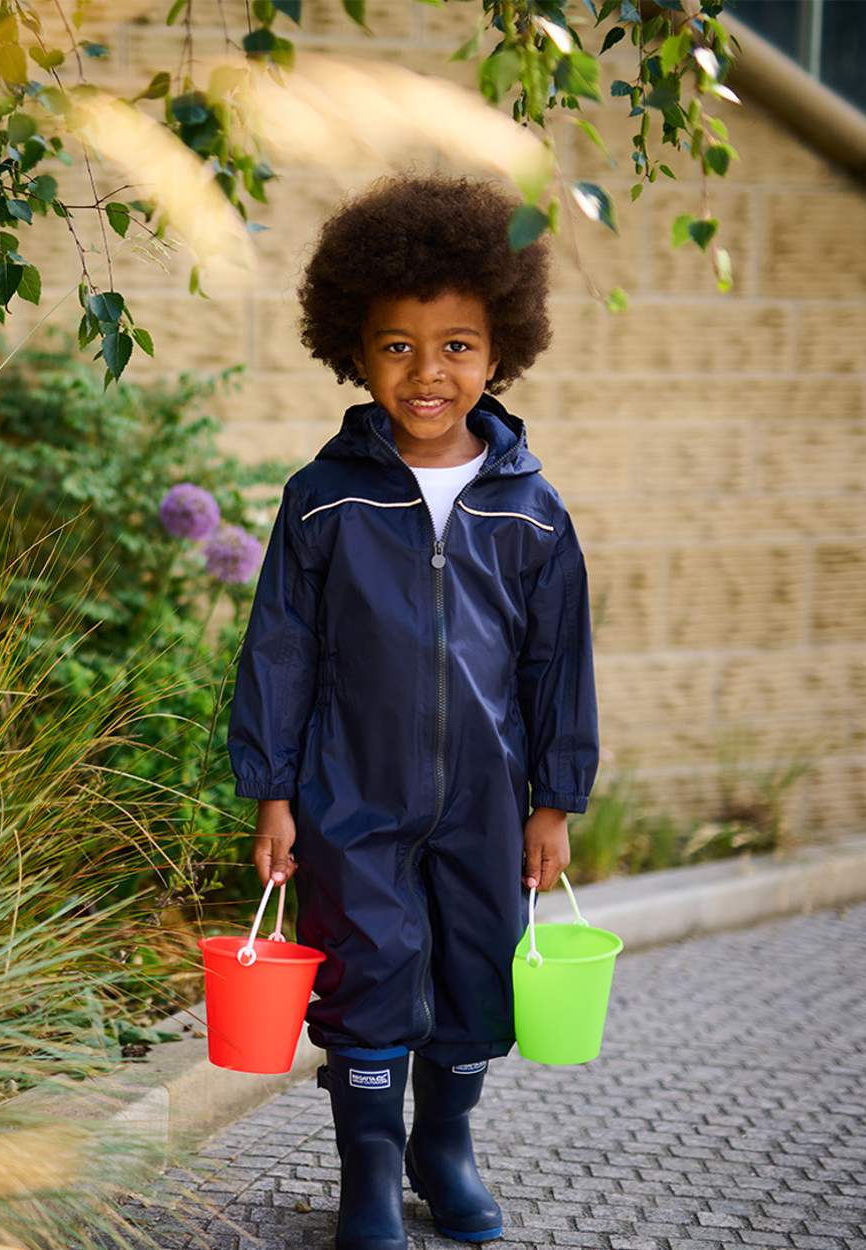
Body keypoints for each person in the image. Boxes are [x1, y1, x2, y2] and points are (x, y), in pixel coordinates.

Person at [226, 172, 600, 1250]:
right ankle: (372, 1174)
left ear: (501, 350)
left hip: (487, 799)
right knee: (367, 974)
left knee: (474, 971)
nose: (426, 372)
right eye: (397, 344)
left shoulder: (530, 508)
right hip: (352, 794)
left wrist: (554, 798)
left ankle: (445, 1147)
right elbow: (280, 651)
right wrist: (274, 791)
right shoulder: (324, 496)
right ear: (355, 347)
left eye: (456, 345)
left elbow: (557, 664)